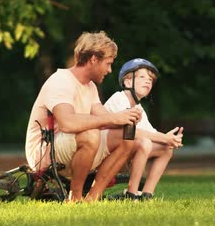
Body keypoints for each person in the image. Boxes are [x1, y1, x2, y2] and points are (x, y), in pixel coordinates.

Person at [25, 31, 142, 202]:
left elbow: (105, 118)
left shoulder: (90, 87)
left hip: (73, 146)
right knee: (91, 134)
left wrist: (126, 118)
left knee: (129, 137)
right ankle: (75, 198)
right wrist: (113, 119)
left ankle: (93, 197)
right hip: (45, 153)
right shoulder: (60, 81)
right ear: (94, 59)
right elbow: (67, 123)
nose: (110, 70)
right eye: (108, 64)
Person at [104, 58, 184, 200]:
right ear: (128, 82)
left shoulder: (138, 108)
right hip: (106, 154)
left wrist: (170, 139)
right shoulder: (119, 99)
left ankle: (147, 194)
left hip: (123, 152)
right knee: (144, 142)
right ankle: (131, 193)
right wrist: (164, 138)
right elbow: (132, 133)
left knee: (166, 149)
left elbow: (151, 133)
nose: (148, 81)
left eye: (151, 79)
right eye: (142, 77)